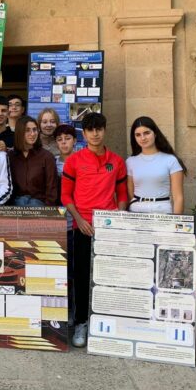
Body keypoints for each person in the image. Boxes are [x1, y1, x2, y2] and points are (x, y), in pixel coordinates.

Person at [61, 112, 127, 348]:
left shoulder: (117, 161)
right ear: (84, 133)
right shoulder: (74, 160)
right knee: (80, 276)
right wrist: (78, 219)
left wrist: (117, 217)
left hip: (108, 227)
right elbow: (66, 195)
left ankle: (106, 323)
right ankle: (80, 323)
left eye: (99, 129)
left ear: (105, 130)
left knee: (107, 277)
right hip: (83, 226)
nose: (95, 133)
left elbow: (122, 195)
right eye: (90, 130)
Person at [126, 117, 187, 215]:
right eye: (138, 135)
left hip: (162, 210)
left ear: (155, 133)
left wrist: (176, 223)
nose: (143, 138)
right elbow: (130, 193)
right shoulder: (130, 161)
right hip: (136, 211)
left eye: (147, 133)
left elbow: (178, 197)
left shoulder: (170, 160)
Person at [54, 124, 77, 323]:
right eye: (60, 139)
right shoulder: (51, 163)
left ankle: (74, 310)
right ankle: (61, 309)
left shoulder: (81, 161)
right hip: (56, 223)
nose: (64, 142)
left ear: (75, 141)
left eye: (67, 138)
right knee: (58, 272)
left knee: (73, 272)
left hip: (75, 223)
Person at [9, 116, 58, 207]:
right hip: (15, 207)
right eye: (27, 130)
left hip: (39, 205)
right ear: (20, 132)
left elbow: (52, 188)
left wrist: (48, 212)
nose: (32, 134)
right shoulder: (11, 156)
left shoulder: (47, 157)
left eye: (35, 130)